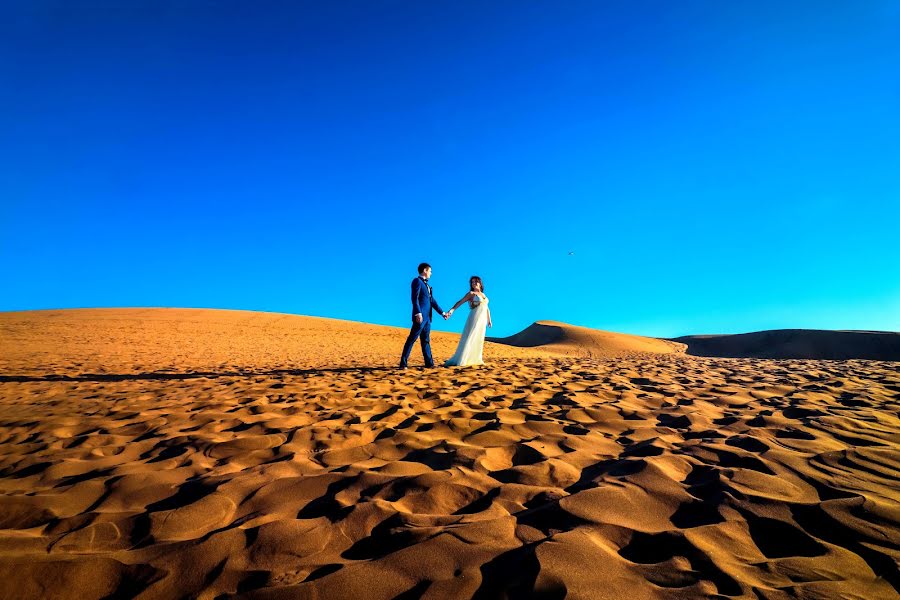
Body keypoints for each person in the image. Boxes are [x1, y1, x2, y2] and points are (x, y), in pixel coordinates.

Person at [399, 263, 448, 368]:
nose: (431, 273)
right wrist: (418, 312)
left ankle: (429, 364)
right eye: (430, 271)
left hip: (428, 318)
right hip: (420, 316)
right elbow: (414, 298)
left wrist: (442, 313)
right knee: (412, 338)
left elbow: (432, 301)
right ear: (425, 270)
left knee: (426, 340)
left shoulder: (428, 286)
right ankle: (403, 363)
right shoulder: (417, 281)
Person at [444, 276, 492, 367]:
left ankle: (475, 358)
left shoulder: (484, 295)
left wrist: (489, 320)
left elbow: (487, 308)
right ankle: (463, 359)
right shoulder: (471, 293)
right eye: (472, 282)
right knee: (471, 336)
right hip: (474, 317)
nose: (474, 283)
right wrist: (452, 310)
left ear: (480, 283)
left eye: (476, 282)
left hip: (482, 320)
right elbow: (460, 302)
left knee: (479, 337)